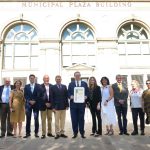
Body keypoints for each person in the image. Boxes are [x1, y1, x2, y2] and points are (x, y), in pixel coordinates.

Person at [68, 71, 89, 138]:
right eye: (76, 75)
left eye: (78, 75)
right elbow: (68, 93)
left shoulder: (84, 83)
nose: (77, 77)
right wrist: (70, 96)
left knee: (81, 119)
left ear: (80, 76)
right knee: (74, 119)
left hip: (81, 105)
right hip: (73, 105)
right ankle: (75, 133)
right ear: (74, 76)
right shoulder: (71, 84)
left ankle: (82, 133)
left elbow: (87, 92)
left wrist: (86, 96)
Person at [51, 75, 69, 139]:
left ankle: (62, 133)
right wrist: (52, 107)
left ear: (61, 79)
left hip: (63, 106)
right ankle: (57, 133)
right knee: (56, 121)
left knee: (63, 121)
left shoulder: (64, 86)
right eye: (57, 79)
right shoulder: (52, 87)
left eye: (59, 79)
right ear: (55, 80)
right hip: (56, 107)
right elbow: (51, 98)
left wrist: (67, 105)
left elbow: (66, 96)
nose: (58, 80)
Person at [39, 75, 54, 139]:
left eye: (47, 78)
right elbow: (39, 96)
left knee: (50, 119)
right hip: (43, 106)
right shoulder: (40, 86)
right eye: (45, 78)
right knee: (43, 120)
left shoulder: (52, 86)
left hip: (50, 106)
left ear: (49, 79)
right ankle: (43, 133)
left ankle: (49, 132)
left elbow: (53, 96)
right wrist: (45, 103)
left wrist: (50, 103)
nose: (47, 79)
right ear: (43, 79)